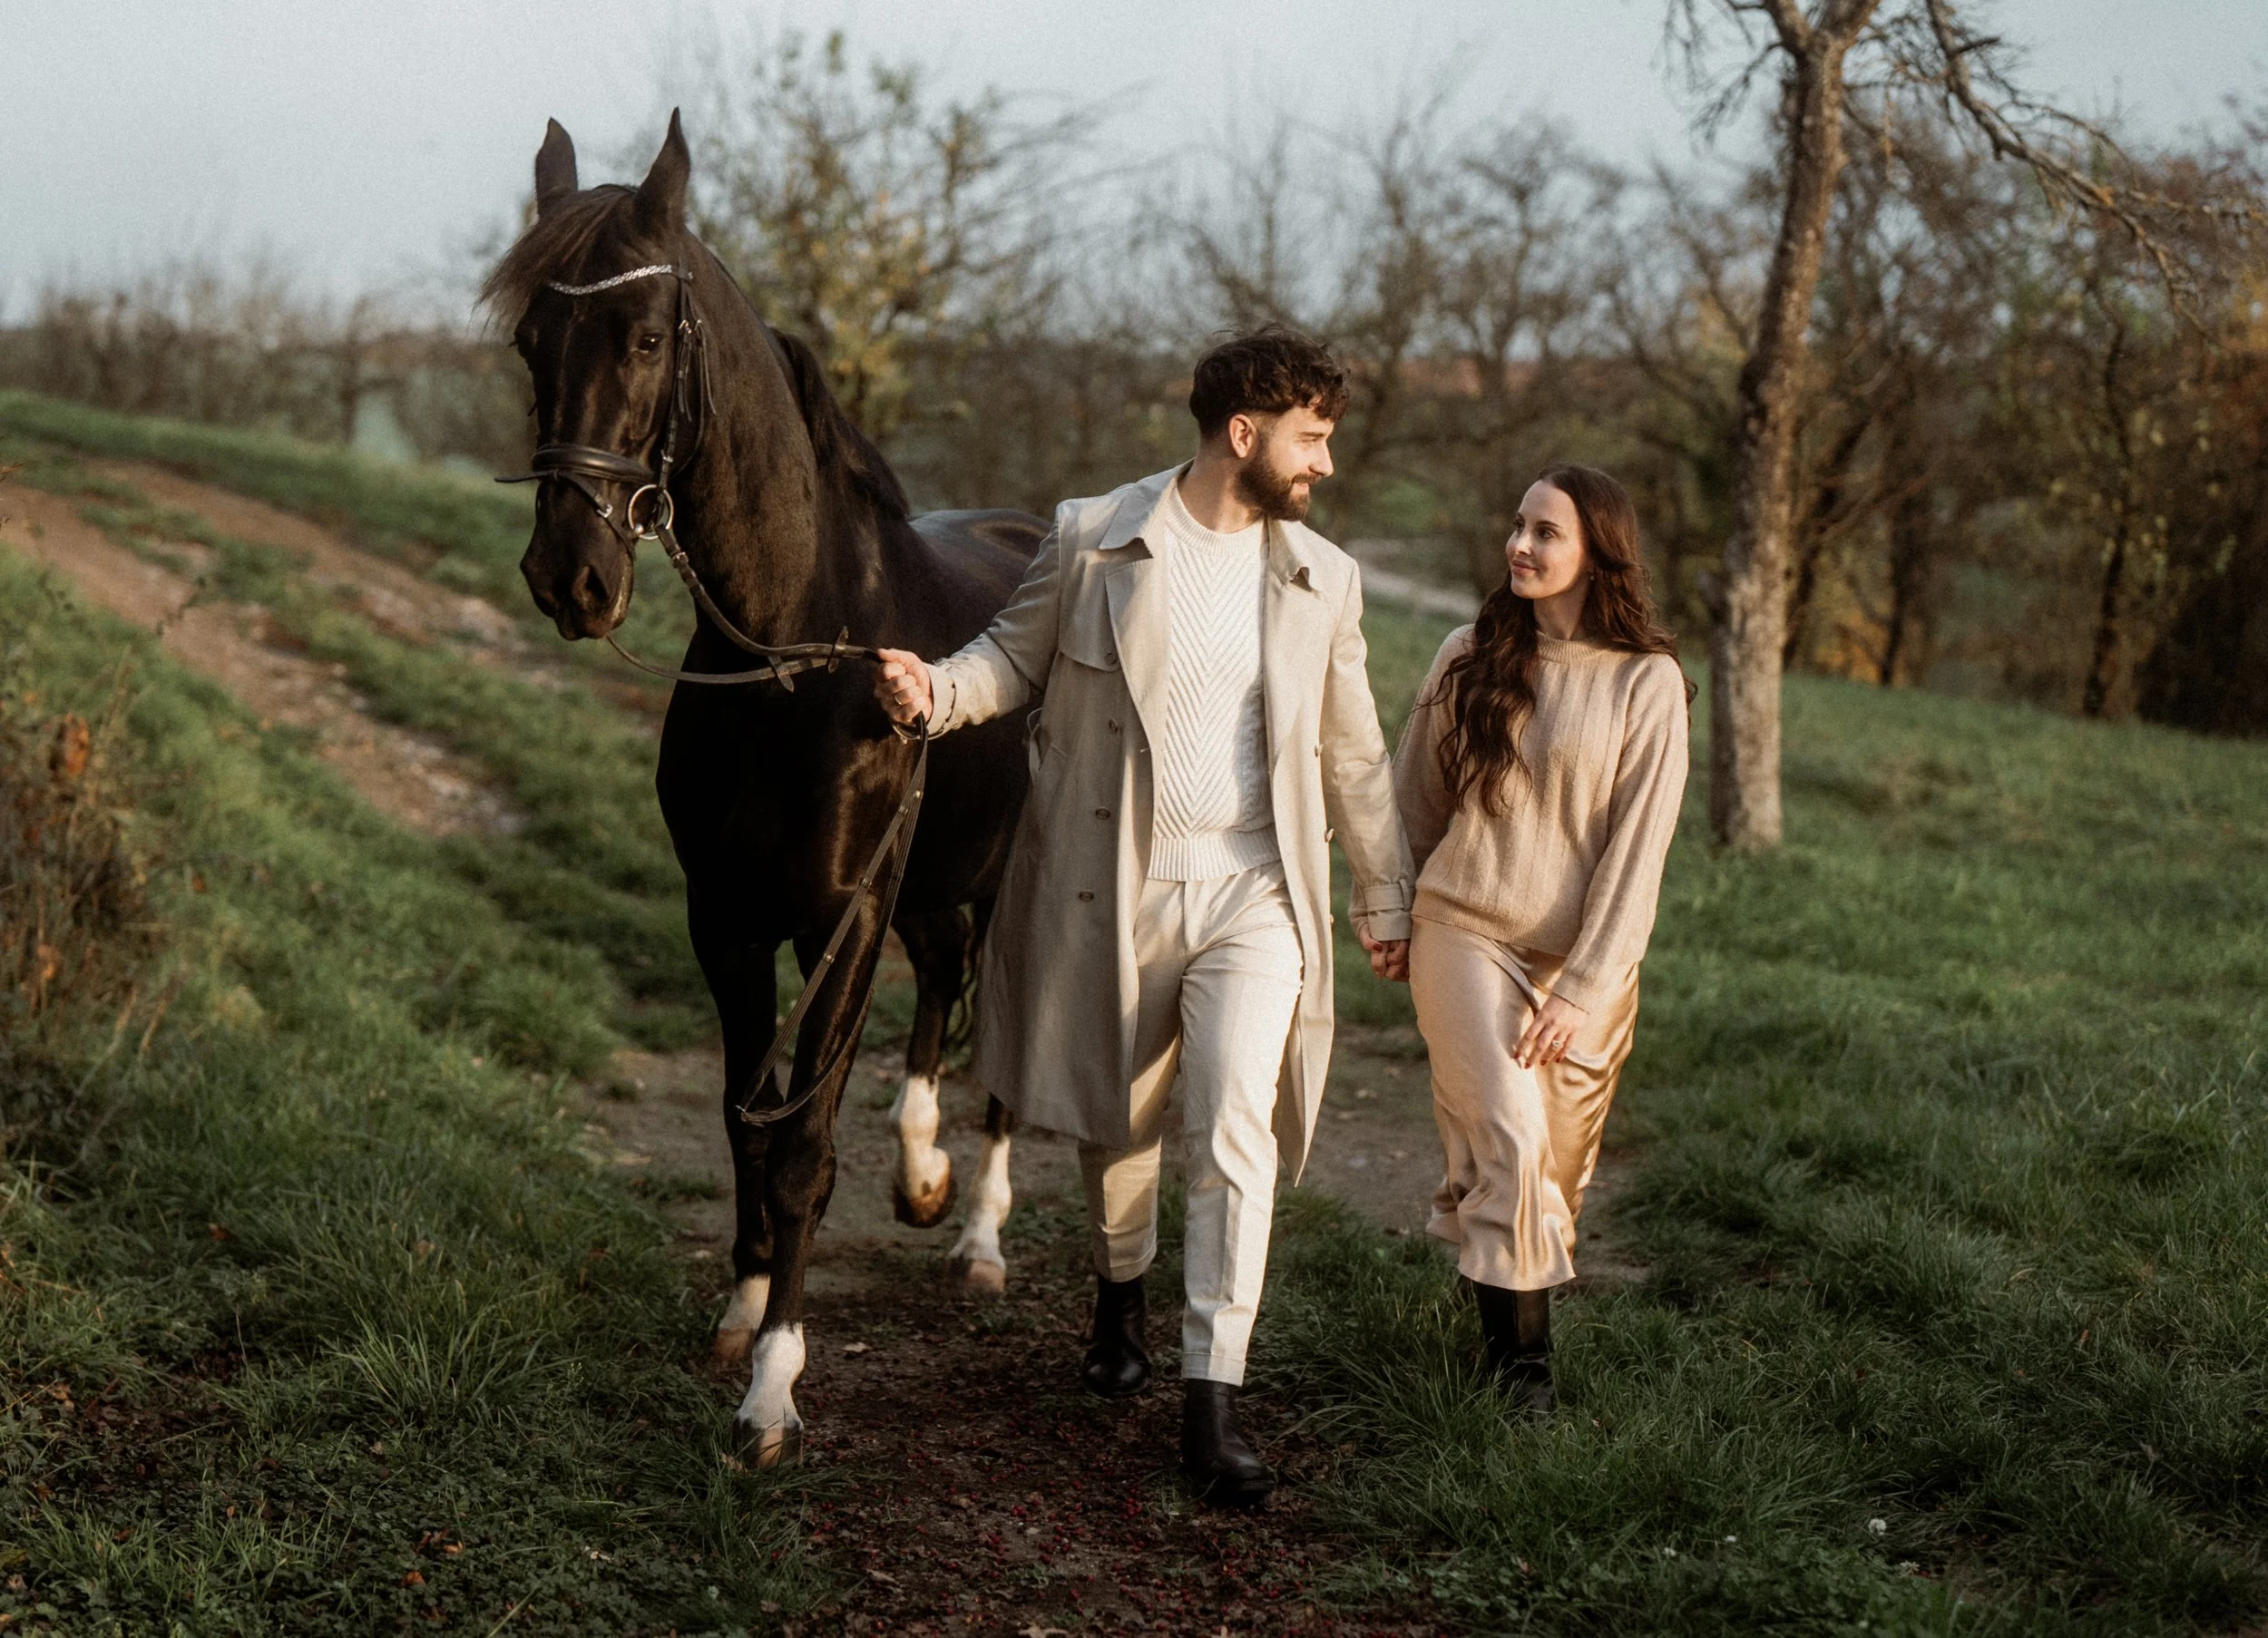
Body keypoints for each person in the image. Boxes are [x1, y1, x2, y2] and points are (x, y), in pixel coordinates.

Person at [873, 327, 1413, 1506]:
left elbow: (1357, 757)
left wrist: (1384, 893)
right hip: (1113, 884)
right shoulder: (1093, 536)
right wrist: (931, 691)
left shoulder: (1325, 578)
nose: (1324, 461)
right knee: (1118, 1122)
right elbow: (1006, 664)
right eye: (1311, 437)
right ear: (1245, 432)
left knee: (1230, 1128)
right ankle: (1120, 1288)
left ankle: (1209, 1396)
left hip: (1257, 895)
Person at [1389, 463, 1689, 1413]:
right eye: (1516, 525)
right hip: (1464, 929)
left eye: (1545, 532)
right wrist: (1392, 910)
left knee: (1547, 1179)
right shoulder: (1465, 654)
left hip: (1578, 967)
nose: (1519, 545)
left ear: (1598, 550)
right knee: (1513, 1143)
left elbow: (1636, 857)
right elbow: (1412, 803)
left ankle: (1496, 1306)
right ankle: (1523, 1383)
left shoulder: (1648, 685)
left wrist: (1581, 989)